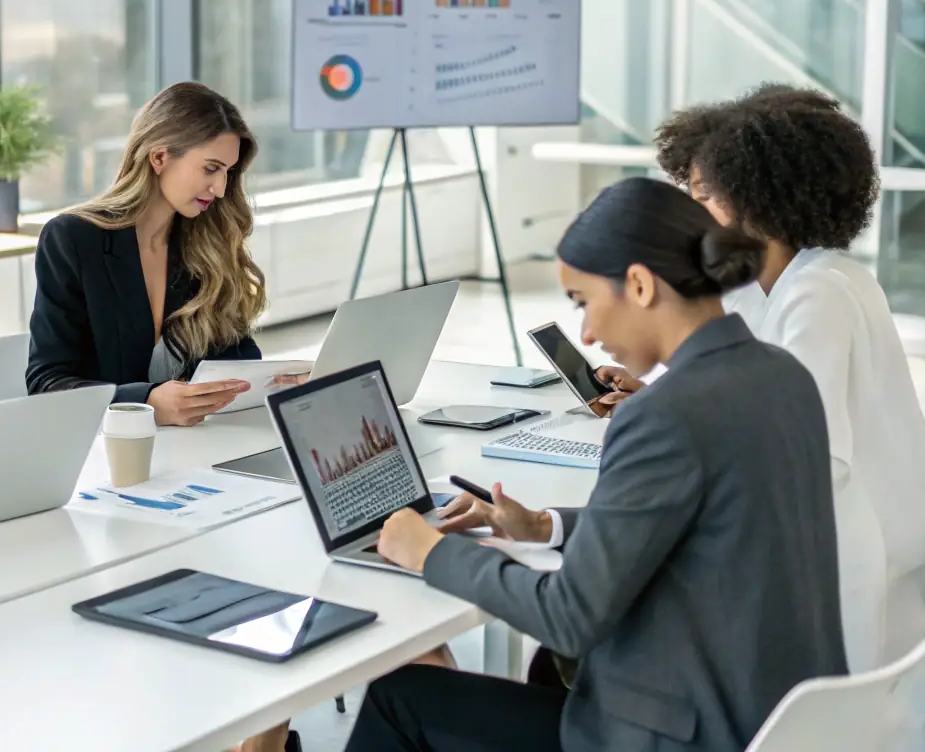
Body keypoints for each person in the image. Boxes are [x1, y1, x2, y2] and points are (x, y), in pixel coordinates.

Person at [346, 176, 846, 752]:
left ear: (638, 284)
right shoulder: (782, 374)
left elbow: (570, 616)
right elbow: (700, 519)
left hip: (685, 733)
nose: (585, 332)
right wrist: (543, 526)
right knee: (531, 675)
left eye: (584, 303)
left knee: (400, 695)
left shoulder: (664, 414)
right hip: (778, 718)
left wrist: (432, 552)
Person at [592, 84, 925, 671]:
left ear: (760, 198)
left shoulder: (819, 292)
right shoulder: (775, 283)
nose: (690, 215)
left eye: (702, 196)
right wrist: (660, 400)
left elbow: (800, 452)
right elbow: (750, 404)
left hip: (846, 573)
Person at [26, 82, 269, 427]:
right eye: (210, 168)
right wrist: (146, 401)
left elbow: (237, 360)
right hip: (108, 453)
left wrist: (276, 381)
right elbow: (46, 385)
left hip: (194, 450)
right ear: (159, 157)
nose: (220, 189)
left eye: (228, 172)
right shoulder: (73, 239)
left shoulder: (206, 245)